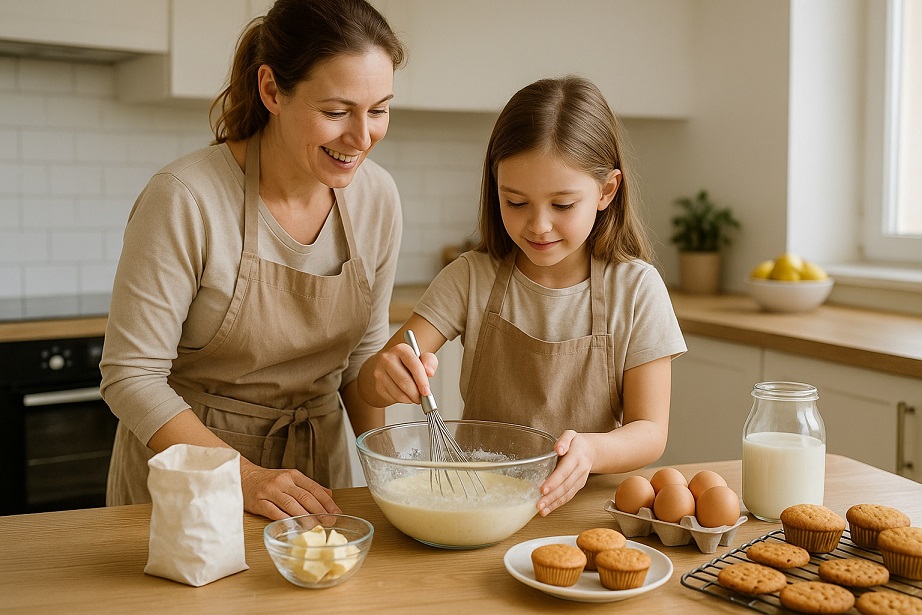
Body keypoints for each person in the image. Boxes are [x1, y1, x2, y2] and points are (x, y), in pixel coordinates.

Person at [100, 0, 406, 520]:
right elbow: (131, 377)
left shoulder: (377, 198)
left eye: (378, 110)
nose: (362, 138)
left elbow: (360, 356)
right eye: (336, 112)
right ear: (271, 91)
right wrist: (243, 478)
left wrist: (395, 476)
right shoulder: (186, 197)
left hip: (314, 486)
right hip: (187, 489)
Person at [357, 76, 687, 517]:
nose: (538, 225)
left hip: (588, 510)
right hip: (480, 508)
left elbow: (650, 430)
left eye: (563, 205)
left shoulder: (637, 290)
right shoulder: (470, 278)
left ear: (607, 191)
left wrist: (591, 451)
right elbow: (369, 386)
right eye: (515, 202)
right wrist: (384, 376)